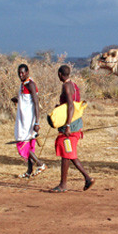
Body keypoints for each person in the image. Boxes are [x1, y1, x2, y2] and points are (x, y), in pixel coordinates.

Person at [49, 64, 94, 193]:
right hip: (76, 122)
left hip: (70, 125)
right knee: (69, 153)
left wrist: (68, 125)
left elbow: (71, 106)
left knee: (66, 152)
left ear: (59, 74)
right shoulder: (74, 85)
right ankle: (87, 178)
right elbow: (72, 105)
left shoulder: (66, 86)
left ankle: (64, 184)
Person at [11, 63, 46, 178]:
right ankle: (29, 171)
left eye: (23, 72)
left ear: (27, 72)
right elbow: (26, 100)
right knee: (28, 144)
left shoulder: (30, 84)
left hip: (28, 120)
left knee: (22, 141)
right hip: (23, 118)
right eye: (19, 73)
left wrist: (37, 122)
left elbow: (36, 103)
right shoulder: (23, 84)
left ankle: (40, 164)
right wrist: (18, 99)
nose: (21, 75)